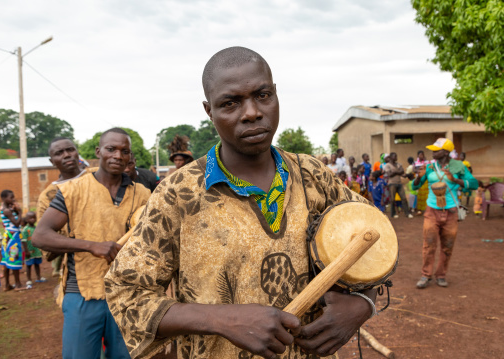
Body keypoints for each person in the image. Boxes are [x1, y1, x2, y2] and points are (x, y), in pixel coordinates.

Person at [104, 46, 377, 359]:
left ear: (276, 95)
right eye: (230, 103)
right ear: (209, 111)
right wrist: (222, 319)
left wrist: (361, 304)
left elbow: (373, 238)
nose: (251, 112)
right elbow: (126, 292)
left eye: (263, 95)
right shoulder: (177, 193)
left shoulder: (313, 174)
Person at [33, 128, 151, 359]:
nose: (117, 155)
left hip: (127, 293)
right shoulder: (71, 190)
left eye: (124, 151)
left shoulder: (143, 194)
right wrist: (91, 246)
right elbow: (40, 236)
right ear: (99, 152)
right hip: (84, 292)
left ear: (129, 157)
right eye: (111, 149)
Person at [412, 138, 478, 289]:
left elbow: (474, 183)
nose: (433, 152)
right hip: (431, 210)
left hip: (451, 212)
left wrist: (455, 179)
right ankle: (425, 275)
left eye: (437, 149)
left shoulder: (458, 166)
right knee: (429, 244)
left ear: (446, 152)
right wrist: (418, 177)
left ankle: (441, 275)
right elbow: (416, 187)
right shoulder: (429, 167)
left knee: (447, 246)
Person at [37, 137, 85, 277]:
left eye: (70, 150)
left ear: (77, 152)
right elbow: (46, 246)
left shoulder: (98, 177)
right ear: (52, 161)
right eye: (59, 153)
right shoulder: (47, 196)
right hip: (76, 270)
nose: (66, 155)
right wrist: (85, 242)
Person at [0, 190, 23, 291]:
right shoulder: (7, 211)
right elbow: (17, 223)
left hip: (8, 237)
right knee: (14, 258)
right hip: (13, 238)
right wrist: (21, 212)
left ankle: (7, 285)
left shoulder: (8, 208)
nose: (13, 199)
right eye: (11, 198)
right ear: (4, 198)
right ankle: (17, 284)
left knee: (6, 260)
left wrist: (16, 210)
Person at [383, 153, 413, 219]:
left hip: (399, 183)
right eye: (395, 156)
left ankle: (407, 213)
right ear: (391, 157)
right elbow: (390, 174)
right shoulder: (387, 165)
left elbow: (402, 172)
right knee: (393, 199)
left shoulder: (398, 164)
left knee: (404, 198)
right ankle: (393, 214)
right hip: (392, 183)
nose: (396, 158)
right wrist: (397, 171)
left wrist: (395, 172)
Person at [21, 211, 46, 289]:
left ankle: (38, 277)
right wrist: (26, 251)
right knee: (28, 265)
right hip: (29, 251)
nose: (33, 219)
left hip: (36, 251)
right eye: (30, 218)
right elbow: (23, 241)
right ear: (27, 220)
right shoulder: (25, 229)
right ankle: (29, 280)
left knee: (37, 264)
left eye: (34, 218)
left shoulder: (36, 228)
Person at [415, 150, 430, 214]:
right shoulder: (416, 163)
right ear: (418, 155)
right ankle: (419, 209)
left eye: (423, 155)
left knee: (426, 195)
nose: (422, 156)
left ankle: (427, 209)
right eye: (420, 155)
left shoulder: (427, 162)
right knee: (420, 195)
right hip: (419, 180)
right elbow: (414, 170)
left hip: (426, 180)